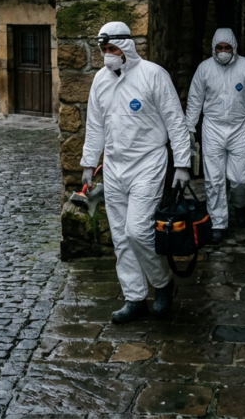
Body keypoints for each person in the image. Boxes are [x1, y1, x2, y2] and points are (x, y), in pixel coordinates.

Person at [81, 21, 191, 324]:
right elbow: (95, 126)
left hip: (148, 164)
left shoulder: (153, 76)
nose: (108, 55)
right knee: (121, 236)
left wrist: (182, 165)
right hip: (115, 167)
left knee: (138, 230)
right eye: (104, 50)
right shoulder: (101, 82)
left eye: (112, 49)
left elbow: (175, 122)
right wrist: (89, 165)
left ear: (127, 47)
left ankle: (162, 282)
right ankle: (134, 297)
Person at [186, 28, 245, 243]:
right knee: (214, 179)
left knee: (241, 178)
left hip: (239, 127)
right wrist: (190, 129)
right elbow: (195, 100)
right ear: (214, 49)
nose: (223, 52)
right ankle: (218, 222)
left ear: (234, 48)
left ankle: (239, 204)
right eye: (219, 48)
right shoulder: (204, 69)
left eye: (227, 48)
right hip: (212, 127)